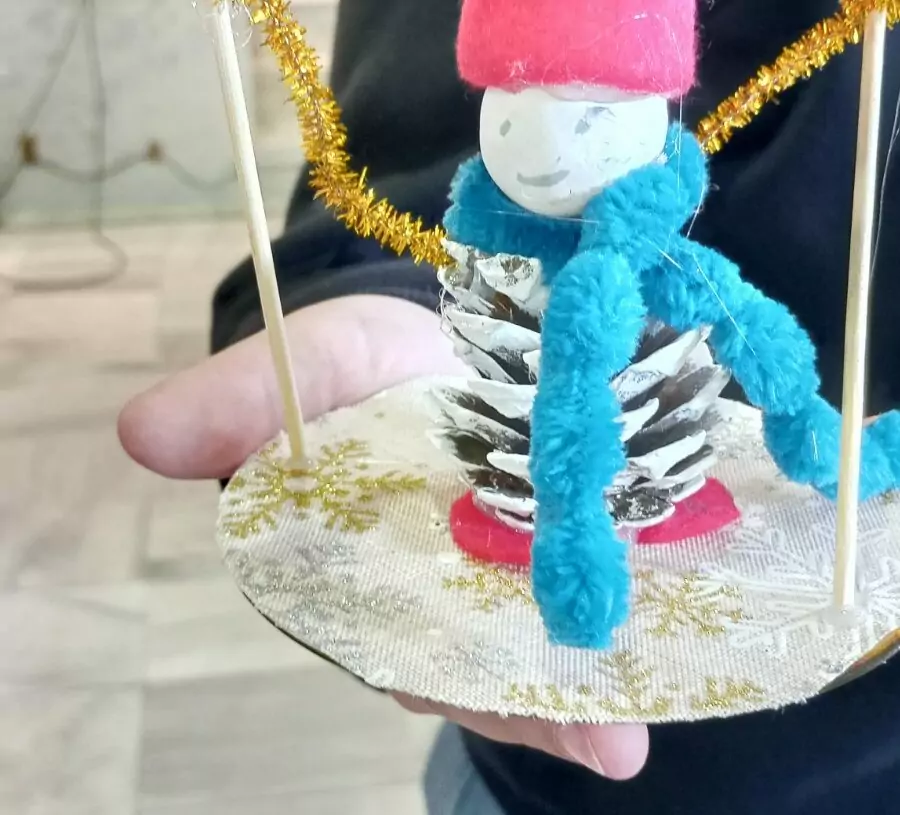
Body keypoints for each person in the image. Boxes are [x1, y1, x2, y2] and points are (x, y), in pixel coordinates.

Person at [119, 0, 900, 812]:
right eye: (518, 110)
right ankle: (579, 535)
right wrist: (361, 287)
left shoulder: (650, 241)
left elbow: (749, 335)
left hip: (865, 732)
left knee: (754, 332)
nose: (552, 146)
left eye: (592, 115)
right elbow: (398, 124)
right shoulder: (493, 220)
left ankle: (824, 448)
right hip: (529, 788)